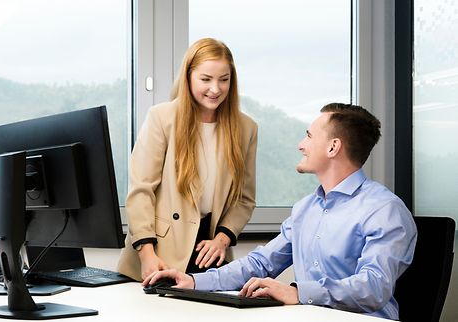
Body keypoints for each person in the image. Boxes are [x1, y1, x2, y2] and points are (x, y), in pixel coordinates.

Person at [143, 103, 417, 320]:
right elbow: (260, 264)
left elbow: (373, 286)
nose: (301, 144)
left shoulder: (384, 210)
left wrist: (297, 292)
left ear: (333, 147)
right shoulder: (305, 209)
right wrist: (191, 281)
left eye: (309, 136)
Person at [117, 38, 258, 281]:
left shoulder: (246, 128)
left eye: (224, 80)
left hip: (211, 252)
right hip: (157, 251)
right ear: (188, 77)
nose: (215, 89)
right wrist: (147, 253)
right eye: (206, 79)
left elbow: (244, 199)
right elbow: (141, 190)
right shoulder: (162, 117)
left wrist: (222, 240)